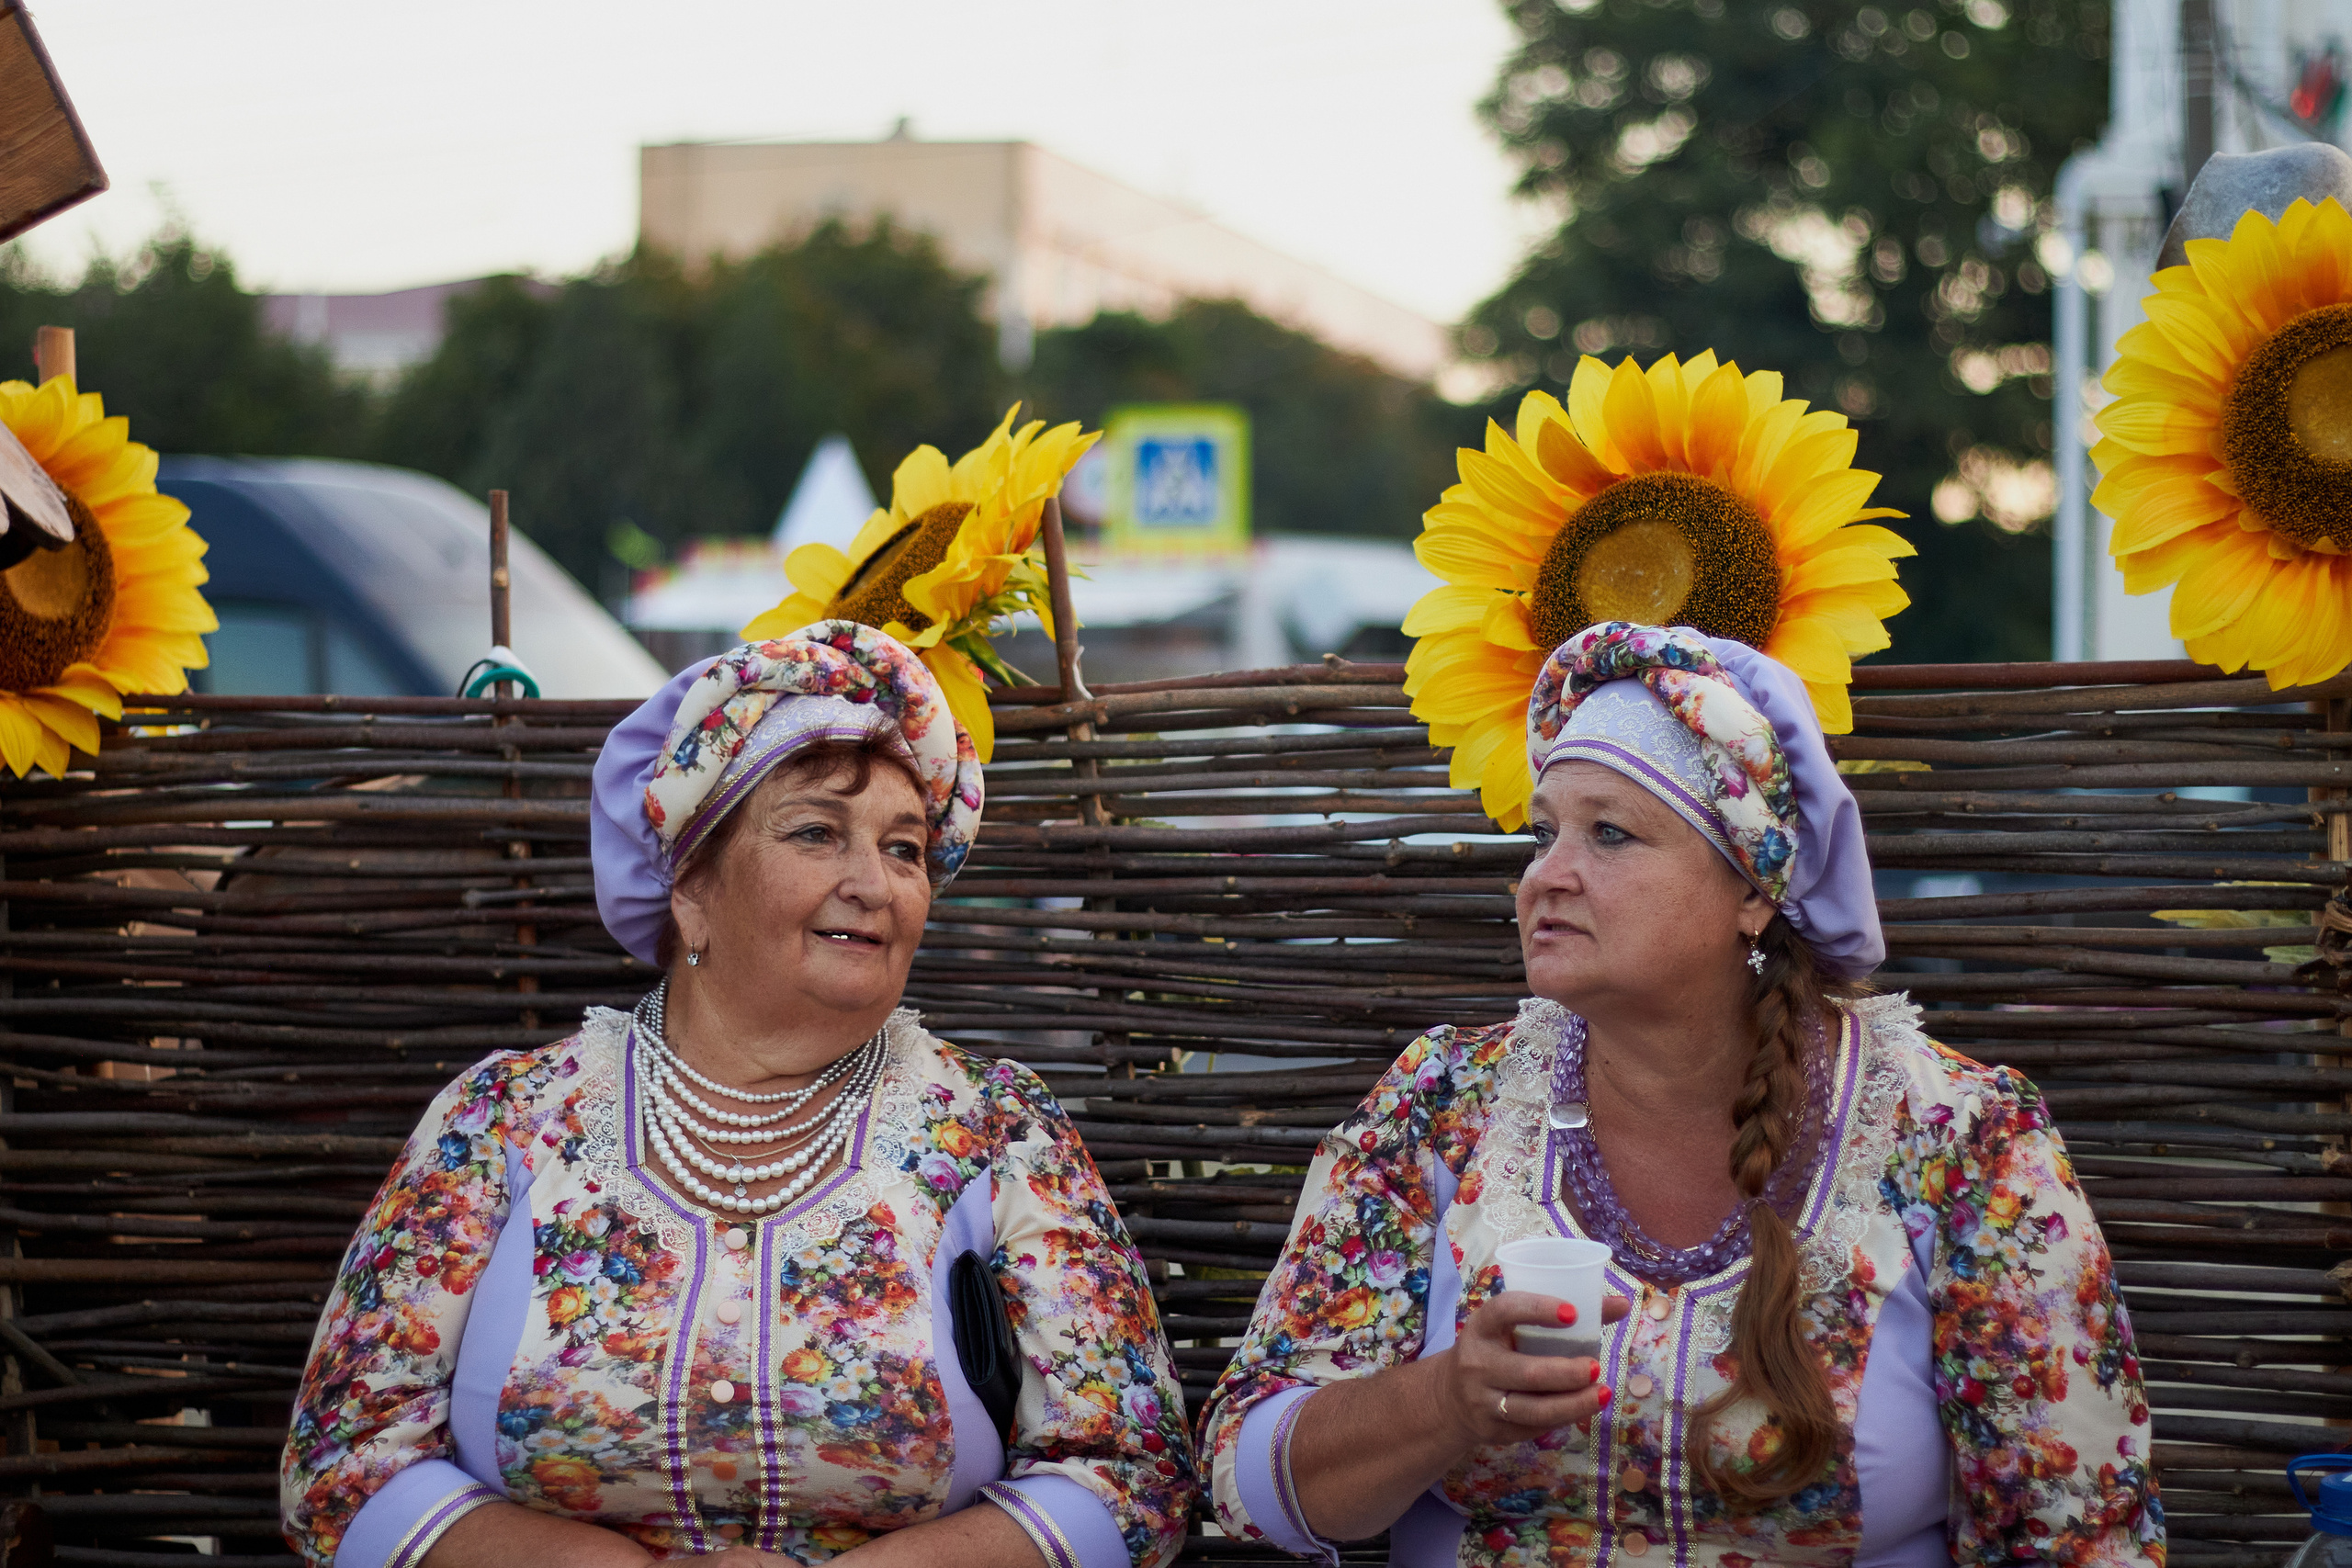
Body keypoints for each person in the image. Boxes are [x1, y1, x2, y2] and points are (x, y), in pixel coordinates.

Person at [1198, 621, 2162, 1567]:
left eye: (1610, 834)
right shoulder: (1442, 1107)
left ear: (1752, 890)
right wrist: (1447, 1399)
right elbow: (1248, 1483)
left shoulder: (1956, 1137)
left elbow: (2078, 1534)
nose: (1546, 877)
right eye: (1545, 833)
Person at [283, 621, 1195, 1568]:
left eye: (906, 849)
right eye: (816, 833)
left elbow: (1131, 1480)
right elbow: (343, 1470)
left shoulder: (996, 1131)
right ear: (689, 887)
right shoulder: (505, 1122)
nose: (873, 884)